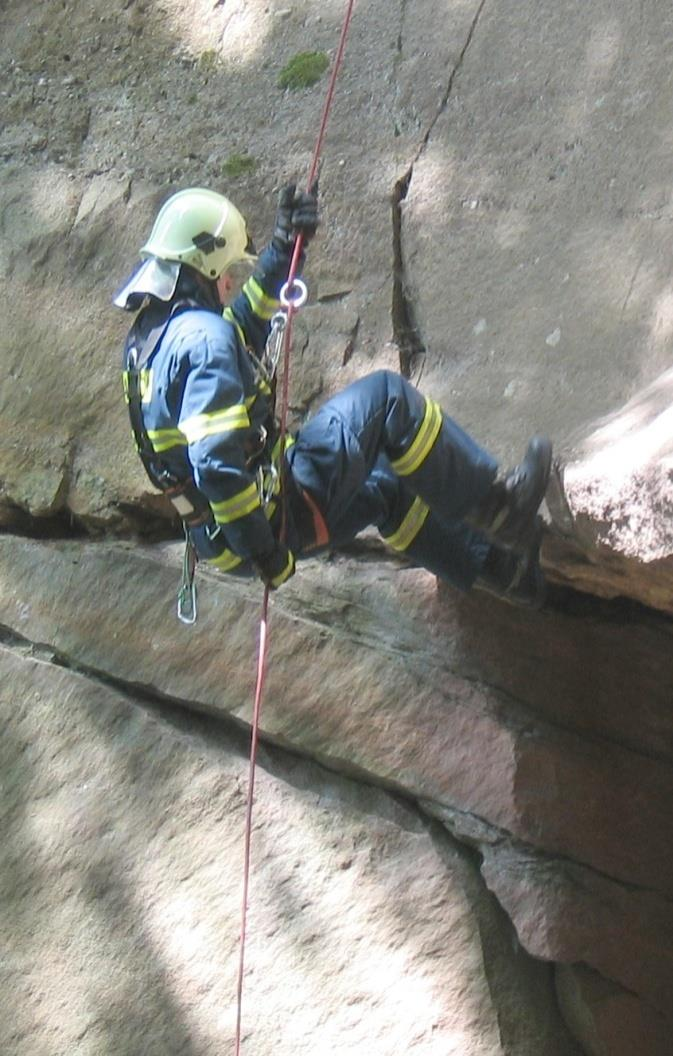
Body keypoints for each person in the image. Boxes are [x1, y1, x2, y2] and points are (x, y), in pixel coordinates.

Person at [114, 184, 552, 606]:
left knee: (387, 484)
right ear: (204, 266)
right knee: (387, 400)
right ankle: (500, 511)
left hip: (223, 538)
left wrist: (286, 248)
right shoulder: (204, 340)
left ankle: (510, 575)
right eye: (228, 270)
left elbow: (241, 332)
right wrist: (264, 552)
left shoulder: (152, 340)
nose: (230, 281)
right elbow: (215, 463)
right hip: (269, 520)